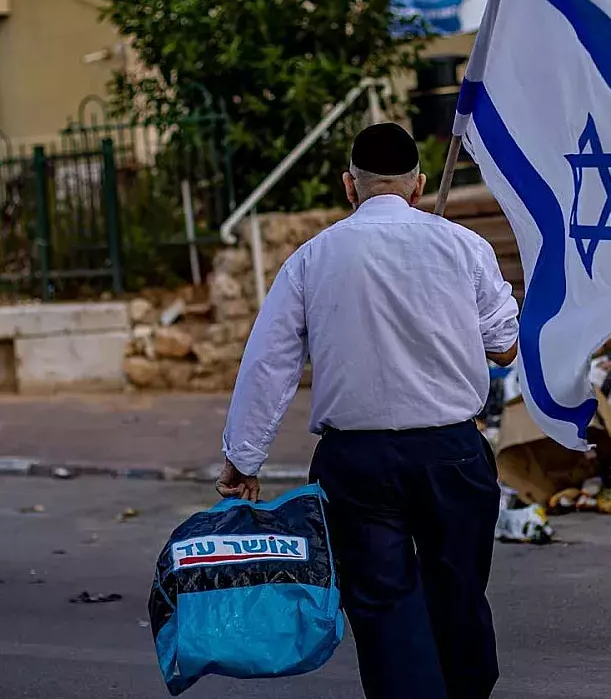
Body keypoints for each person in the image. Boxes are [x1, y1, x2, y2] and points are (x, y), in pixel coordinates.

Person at [218, 122, 519, 699]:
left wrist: (243, 459)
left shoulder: (311, 259)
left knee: (383, 608)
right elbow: (504, 344)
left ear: (349, 187)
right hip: (451, 453)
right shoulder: (463, 247)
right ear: (419, 186)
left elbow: (269, 364)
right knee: (458, 592)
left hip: (355, 462)